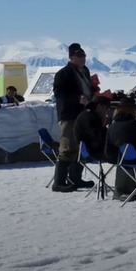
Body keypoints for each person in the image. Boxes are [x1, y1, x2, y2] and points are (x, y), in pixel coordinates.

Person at [51, 43, 96, 192]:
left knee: (79, 147)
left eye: (84, 56)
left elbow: (86, 87)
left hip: (82, 114)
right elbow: (59, 94)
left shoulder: (84, 71)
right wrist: (77, 98)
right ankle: (59, 182)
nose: (83, 59)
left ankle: (75, 178)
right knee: (67, 147)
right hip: (69, 115)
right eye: (79, 56)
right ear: (71, 58)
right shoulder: (63, 74)